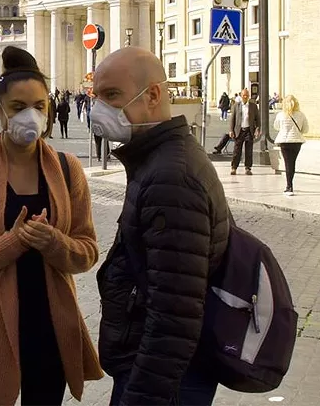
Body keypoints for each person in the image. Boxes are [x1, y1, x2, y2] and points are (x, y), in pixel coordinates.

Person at [0, 45, 102, 406]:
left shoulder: (69, 168)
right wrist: (12, 243)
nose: (31, 116)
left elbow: (87, 252)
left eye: (40, 107)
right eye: (18, 108)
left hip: (51, 325)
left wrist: (53, 241)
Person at [90, 47, 230, 406]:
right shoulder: (160, 160)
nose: (98, 109)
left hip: (162, 379)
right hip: (157, 368)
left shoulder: (171, 177)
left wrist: (142, 397)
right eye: (96, 97)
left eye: (111, 96)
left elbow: (175, 312)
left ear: (152, 95)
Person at [273, 94, 309, 196]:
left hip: (284, 141)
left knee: (287, 163)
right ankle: (290, 185)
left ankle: (289, 186)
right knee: (292, 163)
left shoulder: (281, 115)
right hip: (296, 141)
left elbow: (276, 127)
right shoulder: (301, 115)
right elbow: (305, 129)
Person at [228, 87, 260, 175]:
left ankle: (248, 168)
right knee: (237, 150)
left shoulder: (253, 106)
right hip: (239, 130)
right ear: (241, 96)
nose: (245, 97)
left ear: (248, 96)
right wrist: (231, 130)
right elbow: (232, 119)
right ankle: (234, 167)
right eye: (243, 95)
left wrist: (257, 129)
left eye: (247, 95)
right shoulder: (236, 106)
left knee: (249, 150)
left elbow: (257, 119)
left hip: (249, 130)